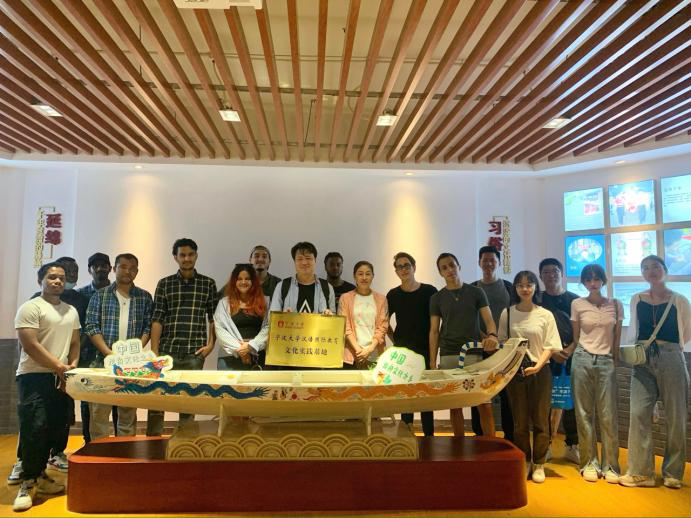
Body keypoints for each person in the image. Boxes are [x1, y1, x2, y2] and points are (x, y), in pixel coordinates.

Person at [12, 262, 80, 511]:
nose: (57, 281)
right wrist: (58, 366)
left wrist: (71, 366)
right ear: (40, 280)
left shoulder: (71, 311)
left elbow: (75, 342)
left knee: (55, 428)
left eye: (61, 278)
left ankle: (41, 477)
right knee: (35, 428)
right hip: (34, 377)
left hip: (61, 377)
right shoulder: (31, 307)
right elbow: (30, 345)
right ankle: (27, 483)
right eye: (52, 277)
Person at [620, 255, 690, 489]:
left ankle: (673, 473)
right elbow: (635, 330)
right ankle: (641, 473)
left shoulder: (679, 299)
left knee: (676, 416)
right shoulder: (637, 298)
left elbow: (687, 330)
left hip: (671, 357)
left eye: (655, 266)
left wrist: (669, 348)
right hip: (642, 359)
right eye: (646, 268)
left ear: (664, 270)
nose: (651, 271)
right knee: (638, 413)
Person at [147, 238, 217, 435]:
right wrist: (154, 351)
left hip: (194, 353)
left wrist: (210, 345)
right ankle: (153, 442)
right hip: (166, 352)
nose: (186, 258)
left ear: (196, 256)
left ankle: (185, 444)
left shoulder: (207, 284)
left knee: (188, 403)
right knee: (157, 401)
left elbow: (213, 318)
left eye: (190, 254)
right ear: (175, 257)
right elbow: (157, 318)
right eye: (182, 255)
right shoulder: (165, 284)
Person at [498, 270, 562, 484]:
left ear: (535, 287)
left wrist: (537, 366)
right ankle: (525, 459)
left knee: (541, 419)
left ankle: (539, 462)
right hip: (515, 372)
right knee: (520, 421)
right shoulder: (507, 313)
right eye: (520, 285)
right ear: (515, 288)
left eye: (529, 284)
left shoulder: (545, 314)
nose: (525, 289)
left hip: (541, 371)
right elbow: (503, 342)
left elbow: (550, 346)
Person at [429, 253, 499, 437]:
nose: (449, 270)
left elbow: (489, 320)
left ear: (458, 266)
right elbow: (434, 331)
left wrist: (492, 335)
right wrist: (432, 362)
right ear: (440, 273)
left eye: (452, 265)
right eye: (444, 268)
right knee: (455, 405)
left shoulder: (476, 292)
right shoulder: (437, 298)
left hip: (474, 353)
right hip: (448, 354)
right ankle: (458, 445)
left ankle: (491, 444)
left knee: (484, 402)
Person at [85, 253, 153, 439]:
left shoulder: (145, 297)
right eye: (123, 267)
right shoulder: (100, 295)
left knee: (127, 414)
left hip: (131, 365)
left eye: (132, 268)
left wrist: (133, 351)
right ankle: (99, 452)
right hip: (102, 363)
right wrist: (108, 353)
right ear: (114, 269)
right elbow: (91, 326)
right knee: (99, 415)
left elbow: (148, 327)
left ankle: (125, 451)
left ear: (137, 272)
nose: (127, 271)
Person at [570, 264, 623, 484]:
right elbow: (576, 337)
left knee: (608, 415)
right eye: (588, 279)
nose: (593, 283)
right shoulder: (577, 304)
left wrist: (615, 359)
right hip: (582, 358)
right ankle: (589, 463)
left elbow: (617, 336)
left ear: (603, 280)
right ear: (583, 282)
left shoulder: (616, 304)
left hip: (606, 360)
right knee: (584, 414)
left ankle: (611, 465)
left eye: (596, 278)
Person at [387, 252, 437, 436]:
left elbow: (435, 326)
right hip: (402, 354)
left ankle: (429, 438)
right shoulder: (393, 294)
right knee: (406, 396)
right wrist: (396, 341)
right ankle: (405, 437)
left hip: (425, 350)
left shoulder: (429, 291)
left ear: (414, 267)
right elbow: (384, 323)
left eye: (406, 265)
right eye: (399, 267)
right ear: (396, 271)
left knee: (425, 398)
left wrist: (433, 358)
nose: (403, 269)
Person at [471, 245, 516, 442]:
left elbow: (514, 315)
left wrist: (499, 340)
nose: (488, 263)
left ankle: (509, 435)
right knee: (478, 391)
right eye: (485, 260)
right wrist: (486, 338)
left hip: (505, 348)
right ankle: (479, 434)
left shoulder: (509, 287)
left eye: (492, 260)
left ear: (498, 262)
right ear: (479, 262)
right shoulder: (472, 288)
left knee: (507, 394)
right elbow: (471, 318)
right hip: (479, 348)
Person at [539, 258, 580, 464]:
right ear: (541, 276)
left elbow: (581, 331)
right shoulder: (537, 299)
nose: (551, 275)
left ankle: (572, 445)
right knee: (546, 403)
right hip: (546, 358)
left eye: (554, 271)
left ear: (562, 274)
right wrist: (552, 351)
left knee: (571, 401)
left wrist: (570, 349)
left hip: (571, 356)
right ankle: (545, 446)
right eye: (546, 272)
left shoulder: (575, 301)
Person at [77, 252, 116, 444]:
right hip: (87, 356)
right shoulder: (80, 294)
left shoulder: (118, 291)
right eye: (95, 266)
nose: (100, 269)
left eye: (104, 265)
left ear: (110, 268)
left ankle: (120, 442)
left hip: (114, 355)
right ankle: (89, 441)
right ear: (89, 270)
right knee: (87, 402)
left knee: (119, 398)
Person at [214, 264, 269, 370]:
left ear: (253, 281)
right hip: (230, 357)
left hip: (258, 356)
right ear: (234, 281)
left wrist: (250, 347)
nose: (243, 282)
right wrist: (241, 350)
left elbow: (268, 327)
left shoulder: (265, 301)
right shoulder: (224, 303)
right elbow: (220, 329)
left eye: (247, 279)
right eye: (239, 279)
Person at [338, 261, 388, 369]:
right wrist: (359, 350)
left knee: (376, 381)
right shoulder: (345, 298)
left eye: (368, 274)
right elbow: (345, 327)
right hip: (352, 354)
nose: (364, 277)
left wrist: (369, 350)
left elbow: (383, 327)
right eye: (360, 274)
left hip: (375, 354)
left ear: (373, 276)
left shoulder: (381, 299)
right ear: (354, 276)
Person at [270, 241, 335, 315]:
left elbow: (334, 319)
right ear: (294, 262)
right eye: (300, 259)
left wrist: (329, 316)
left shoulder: (327, 287)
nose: (304, 262)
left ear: (315, 260)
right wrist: (283, 317)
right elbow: (272, 317)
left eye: (308, 258)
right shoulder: (282, 286)